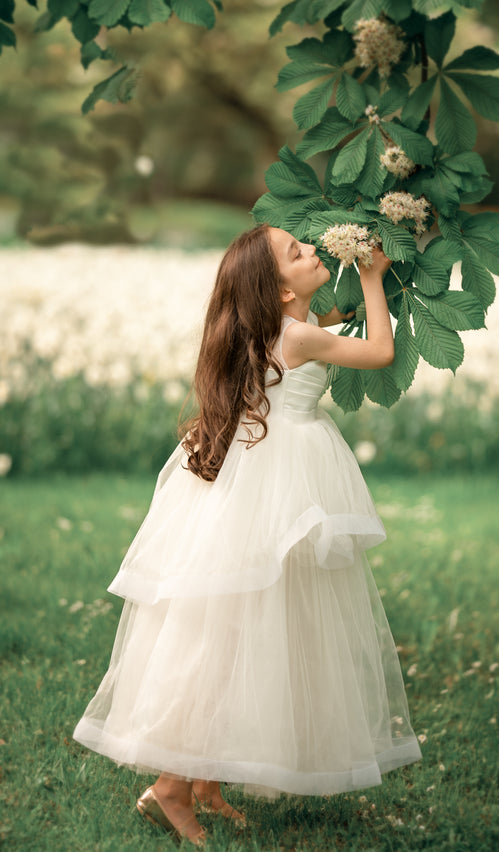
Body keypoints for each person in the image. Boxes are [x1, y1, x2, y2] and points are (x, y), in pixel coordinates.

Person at [73, 223, 421, 845]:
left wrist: (385, 270)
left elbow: (336, 311)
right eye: (299, 252)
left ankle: (205, 779)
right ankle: (173, 787)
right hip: (281, 489)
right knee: (237, 631)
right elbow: (378, 353)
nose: (314, 250)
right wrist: (373, 277)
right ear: (282, 292)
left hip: (252, 487)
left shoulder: (273, 328)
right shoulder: (301, 335)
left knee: (240, 622)